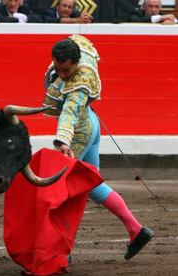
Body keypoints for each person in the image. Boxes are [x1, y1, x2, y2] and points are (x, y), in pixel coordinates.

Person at [42, 35, 154, 261]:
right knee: (91, 185)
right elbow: (78, 39)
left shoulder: (78, 83)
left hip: (79, 132)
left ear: (76, 63)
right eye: (58, 69)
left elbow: (69, 112)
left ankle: (62, 249)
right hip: (92, 123)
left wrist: (63, 141)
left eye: (66, 71)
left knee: (59, 188)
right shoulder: (77, 51)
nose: (62, 75)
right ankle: (136, 230)